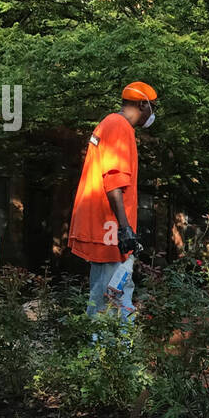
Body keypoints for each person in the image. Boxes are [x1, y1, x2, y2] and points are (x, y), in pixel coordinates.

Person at [68, 81, 158, 319]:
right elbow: (114, 182)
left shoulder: (108, 123)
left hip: (105, 227)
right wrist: (125, 228)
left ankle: (105, 350)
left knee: (108, 293)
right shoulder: (119, 127)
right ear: (142, 104)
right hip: (111, 229)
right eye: (152, 107)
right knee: (112, 297)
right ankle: (108, 353)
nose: (153, 113)